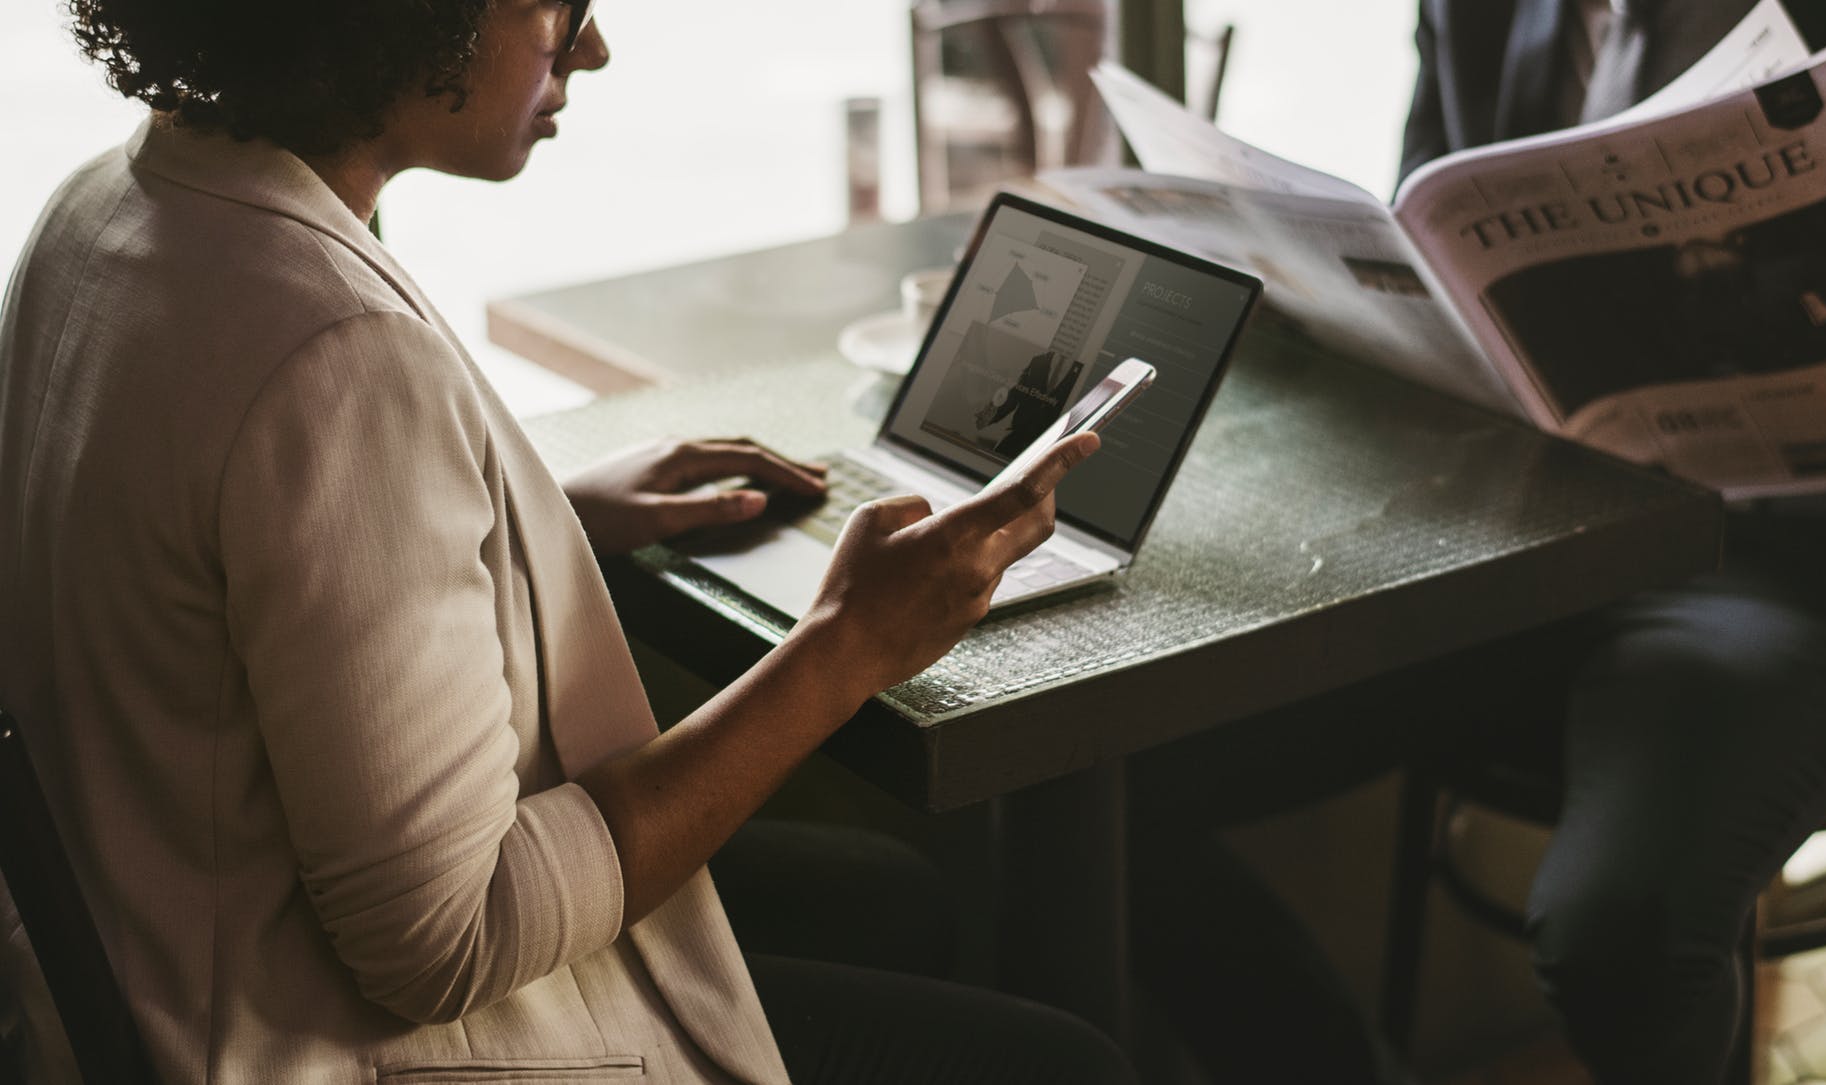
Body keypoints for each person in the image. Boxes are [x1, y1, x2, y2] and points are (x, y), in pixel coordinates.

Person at [0, 2, 1137, 1083]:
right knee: (1063, 1063)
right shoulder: (336, 352)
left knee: (889, 896)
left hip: (156, 966)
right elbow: (448, 941)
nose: (588, 46)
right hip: (311, 1041)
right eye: (550, 4)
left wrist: (519, 517)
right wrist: (846, 647)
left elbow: (231, 553)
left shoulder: (111, 205)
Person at [1399, 0, 1826, 1078]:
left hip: (1782, 559)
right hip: (1504, 528)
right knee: (1132, 774)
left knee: (1624, 928)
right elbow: (1416, 229)